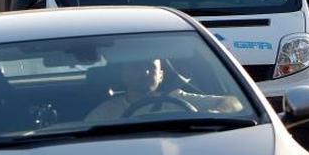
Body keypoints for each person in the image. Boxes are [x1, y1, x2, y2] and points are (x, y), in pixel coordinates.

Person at [85, 57, 242, 122]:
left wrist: (217, 112)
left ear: (160, 75)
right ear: (122, 75)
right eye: (136, 67)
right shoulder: (105, 112)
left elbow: (234, 102)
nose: (145, 72)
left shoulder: (179, 99)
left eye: (151, 67)